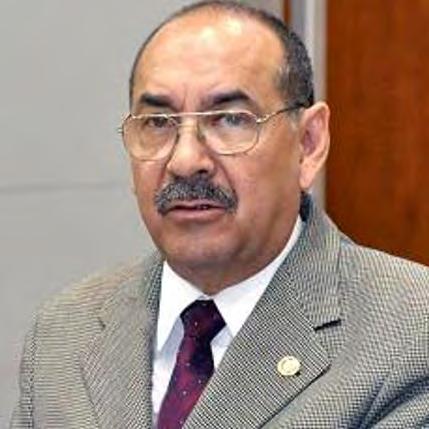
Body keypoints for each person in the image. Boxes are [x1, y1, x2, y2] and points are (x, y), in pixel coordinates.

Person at [11, 1, 429, 428]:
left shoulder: (410, 334)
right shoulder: (63, 335)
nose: (185, 160)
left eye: (230, 119)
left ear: (308, 144)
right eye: (158, 122)